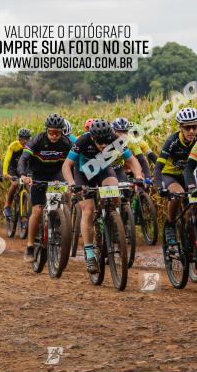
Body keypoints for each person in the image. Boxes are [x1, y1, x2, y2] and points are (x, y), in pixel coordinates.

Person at [63, 118, 143, 274]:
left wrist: (139, 177)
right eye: (100, 142)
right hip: (83, 173)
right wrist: (73, 184)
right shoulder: (82, 140)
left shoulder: (114, 139)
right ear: (92, 137)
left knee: (114, 190)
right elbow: (67, 165)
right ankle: (90, 254)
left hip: (103, 170)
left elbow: (132, 160)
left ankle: (113, 222)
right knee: (88, 209)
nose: (104, 146)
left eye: (106, 142)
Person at [17, 114, 71, 259]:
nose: (54, 136)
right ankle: (29, 246)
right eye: (51, 132)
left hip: (56, 174)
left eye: (58, 133)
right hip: (38, 175)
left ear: (62, 132)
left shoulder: (66, 143)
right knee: (38, 210)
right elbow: (23, 158)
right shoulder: (37, 140)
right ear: (46, 130)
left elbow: (74, 163)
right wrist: (23, 174)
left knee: (66, 195)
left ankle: (61, 224)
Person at [153, 108, 197, 250]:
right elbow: (158, 167)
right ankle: (170, 225)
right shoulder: (172, 141)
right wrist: (160, 187)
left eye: (195, 127)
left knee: (193, 206)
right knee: (176, 196)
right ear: (180, 127)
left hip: (188, 176)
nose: (191, 131)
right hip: (170, 175)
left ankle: (191, 238)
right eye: (187, 127)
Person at [2, 128, 33, 221]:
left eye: (27, 138)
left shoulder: (31, 146)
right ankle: (7, 205)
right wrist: (5, 173)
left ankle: (25, 212)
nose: (25, 141)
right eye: (23, 139)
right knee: (15, 184)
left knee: (28, 186)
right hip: (13, 169)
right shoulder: (14, 146)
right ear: (19, 139)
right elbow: (7, 160)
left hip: (24, 169)